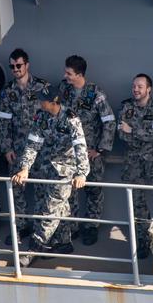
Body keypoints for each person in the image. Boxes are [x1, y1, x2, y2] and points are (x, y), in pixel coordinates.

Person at [11, 85, 90, 267]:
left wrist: (82, 173)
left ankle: (33, 248)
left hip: (65, 172)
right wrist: (25, 168)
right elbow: (33, 144)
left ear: (54, 101)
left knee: (50, 210)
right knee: (45, 207)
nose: (39, 102)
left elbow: (81, 148)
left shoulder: (71, 119)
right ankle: (63, 243)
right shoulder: (41, 117)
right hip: (45, 170)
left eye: (42, 99)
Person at [58, 55, 115, 246]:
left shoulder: (95, 93)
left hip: (90, 153)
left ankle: (91, 227)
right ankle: (72, 227)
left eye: (69, 73)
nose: (65, 76)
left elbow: (109, 121)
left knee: (93, 191)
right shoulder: (64, 89)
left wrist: (100, 149)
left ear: (80, 74)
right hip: (67, 152)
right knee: (69, 192)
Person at [0, 48, 50, 245]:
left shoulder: (43, 87)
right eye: (12, 66)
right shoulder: (8, 92)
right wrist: (6, 148)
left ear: (27, 65)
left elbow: (53, 116)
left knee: (41, 191)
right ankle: (19, 228)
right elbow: (3, 122)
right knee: (17, 191)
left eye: (18, 65)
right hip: (17, 149)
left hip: (41, 150)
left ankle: (39, 234)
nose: (15, 69)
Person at [118, 73, 153, 259]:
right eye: (134, 86)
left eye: (140, 86)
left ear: (149, 89)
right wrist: (140, 134)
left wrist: (133, 131)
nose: (136, 89)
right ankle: (144, 241)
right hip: (133, 162)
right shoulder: (126, 107)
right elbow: (122, 135)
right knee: (137, 203)